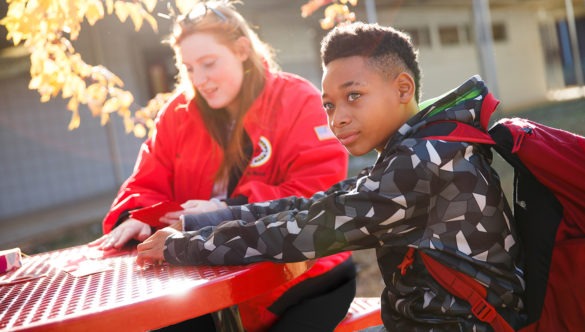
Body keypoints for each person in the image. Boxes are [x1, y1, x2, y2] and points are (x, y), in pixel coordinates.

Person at [137, 22, 527, 331]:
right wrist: (198, 221)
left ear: (403, 88)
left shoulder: (425, 160)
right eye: (328, 104)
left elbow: (302, 230)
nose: (336, 118)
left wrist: (182, 247)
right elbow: (313, 205)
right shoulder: (418, 149)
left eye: (353, 96)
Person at [90, 1, 357, 331]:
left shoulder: (299, 101)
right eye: (188, 68)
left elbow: (315, 197)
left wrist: (222, 209)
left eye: (208, 63)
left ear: (242, 50)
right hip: (199, 276)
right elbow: (145, 181)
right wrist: (137, 218)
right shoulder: (178, 113)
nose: (199, 79)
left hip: (300, 275)